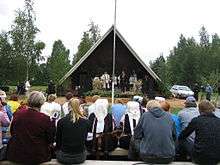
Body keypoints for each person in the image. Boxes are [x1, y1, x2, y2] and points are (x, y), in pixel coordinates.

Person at [7, 91, 56, 164]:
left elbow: (12, 132)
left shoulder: (18, 114)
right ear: (42, 102)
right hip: (37, 156)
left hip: (16, 154)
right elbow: (50, 139)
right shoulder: (45, 118)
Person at [179, 100, 220, 165]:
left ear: (200, 110)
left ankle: (182, 157)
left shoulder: (197, 120)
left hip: (199, 158)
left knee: (182, 139)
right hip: (216, 158)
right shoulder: (218, 121)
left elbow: (182, 136)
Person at [56, 98, 90, 164]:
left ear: (69, 107)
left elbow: (58, 141)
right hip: (80, 157)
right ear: (80, 107)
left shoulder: (61, 121)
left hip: (64, 156)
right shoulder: (86, 122)